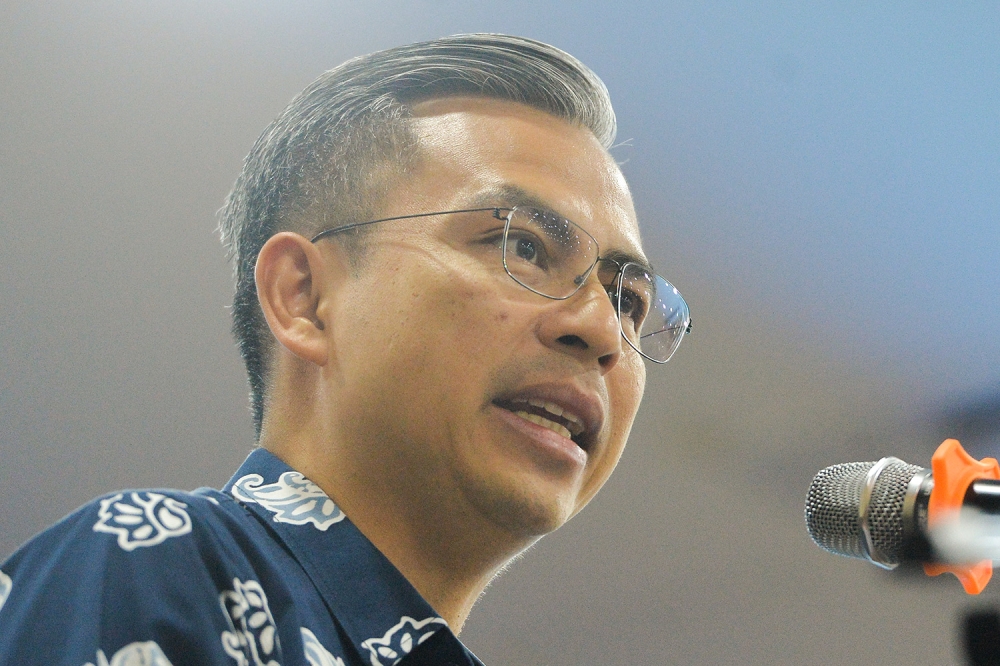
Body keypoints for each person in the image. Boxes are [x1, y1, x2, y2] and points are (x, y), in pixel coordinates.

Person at [0, 34, 690, 665]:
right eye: (523, 246)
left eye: (628, 301)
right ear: (303, 296)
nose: (601, 331)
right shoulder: (165, 569)